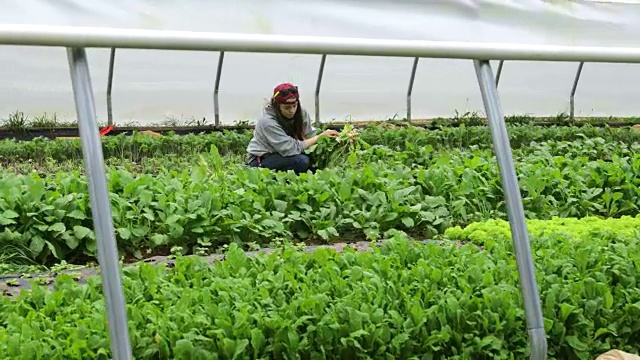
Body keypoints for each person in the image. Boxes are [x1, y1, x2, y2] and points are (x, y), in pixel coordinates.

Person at [246, 82, 339, 174]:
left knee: (314, 163)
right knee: (301, 161)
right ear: (277, 106)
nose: (292, 110)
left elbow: (309, 134)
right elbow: (290, 149)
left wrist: (331, 138)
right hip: (262, 159)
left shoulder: (301, 112)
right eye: (287, 108)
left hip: (284, 154)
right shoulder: (267, 122)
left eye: (294, 106)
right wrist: (319, 137)